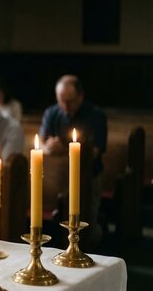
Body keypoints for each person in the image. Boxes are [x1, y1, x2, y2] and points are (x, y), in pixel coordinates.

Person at [39, 75, 107, 244]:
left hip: (89, 176)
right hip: (57, 177)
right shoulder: (52, 112)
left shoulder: (95, 115)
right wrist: (47, 148)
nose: (65, 106)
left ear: (80, 96)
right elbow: (41, 142)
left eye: (70, 102)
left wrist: (63, 148)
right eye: (61, 101)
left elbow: (94, 151)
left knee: (86, 222)